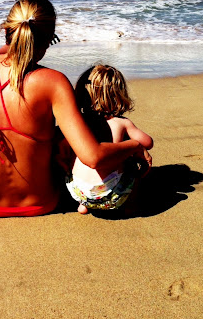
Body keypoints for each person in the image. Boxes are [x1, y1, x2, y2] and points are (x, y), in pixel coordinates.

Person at [0, 0, 150, 217]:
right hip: (42, 202)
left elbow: (3, 53)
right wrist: (134, 146)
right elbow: (93, 157)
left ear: (8, 30)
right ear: (48, 40)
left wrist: (16, 39)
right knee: (61, 135)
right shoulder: (54, 82)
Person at [63, 64, 154, 214]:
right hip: (112, 194)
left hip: (79, 191)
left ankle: (83, 205)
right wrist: (132, 144)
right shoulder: (122, 123)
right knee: (132, 163)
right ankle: (130, 204)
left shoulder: (78, 124)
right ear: (118, 95)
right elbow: (148, 142)